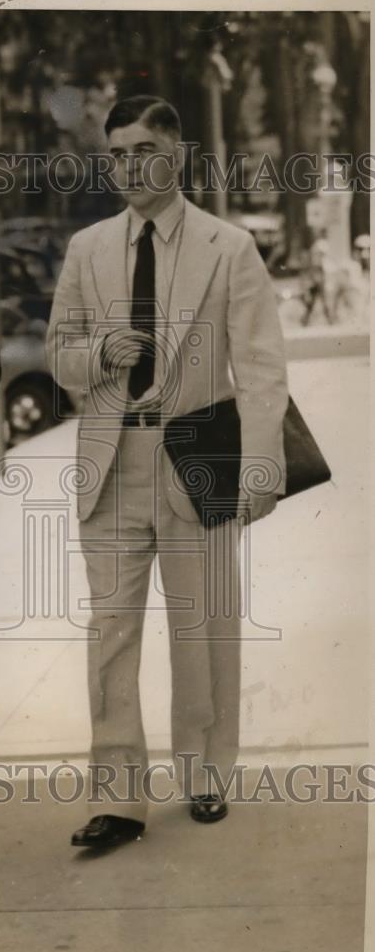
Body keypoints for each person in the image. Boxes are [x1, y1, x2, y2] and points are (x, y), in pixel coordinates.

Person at [46, 95, 288, 849]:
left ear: (175, 154)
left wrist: (259, 468)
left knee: (203, 628)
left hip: (199, 455)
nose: (127, 166)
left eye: (143, 149)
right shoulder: (86, 249)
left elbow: (258, 367)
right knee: (110, 633)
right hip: (110, 459)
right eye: (115, 153)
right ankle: (117, 798)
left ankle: (205, 774)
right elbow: (58, 352)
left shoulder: (228, 247)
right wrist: (95, 357)